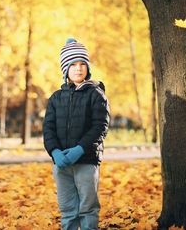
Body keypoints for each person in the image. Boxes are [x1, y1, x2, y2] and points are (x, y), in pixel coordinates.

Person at [43, 38, 110, 230]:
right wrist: (55, 152)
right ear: (65, 69)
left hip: (86, 160)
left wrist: (79, 149)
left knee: (88, 206)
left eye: (82, 64)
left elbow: (100, 126)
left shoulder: (96, 94)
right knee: (67, 207)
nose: (78, 68)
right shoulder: (56, 98)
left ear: (88, 68)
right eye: (73, 64)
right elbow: (48, 129)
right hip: (62, 163)